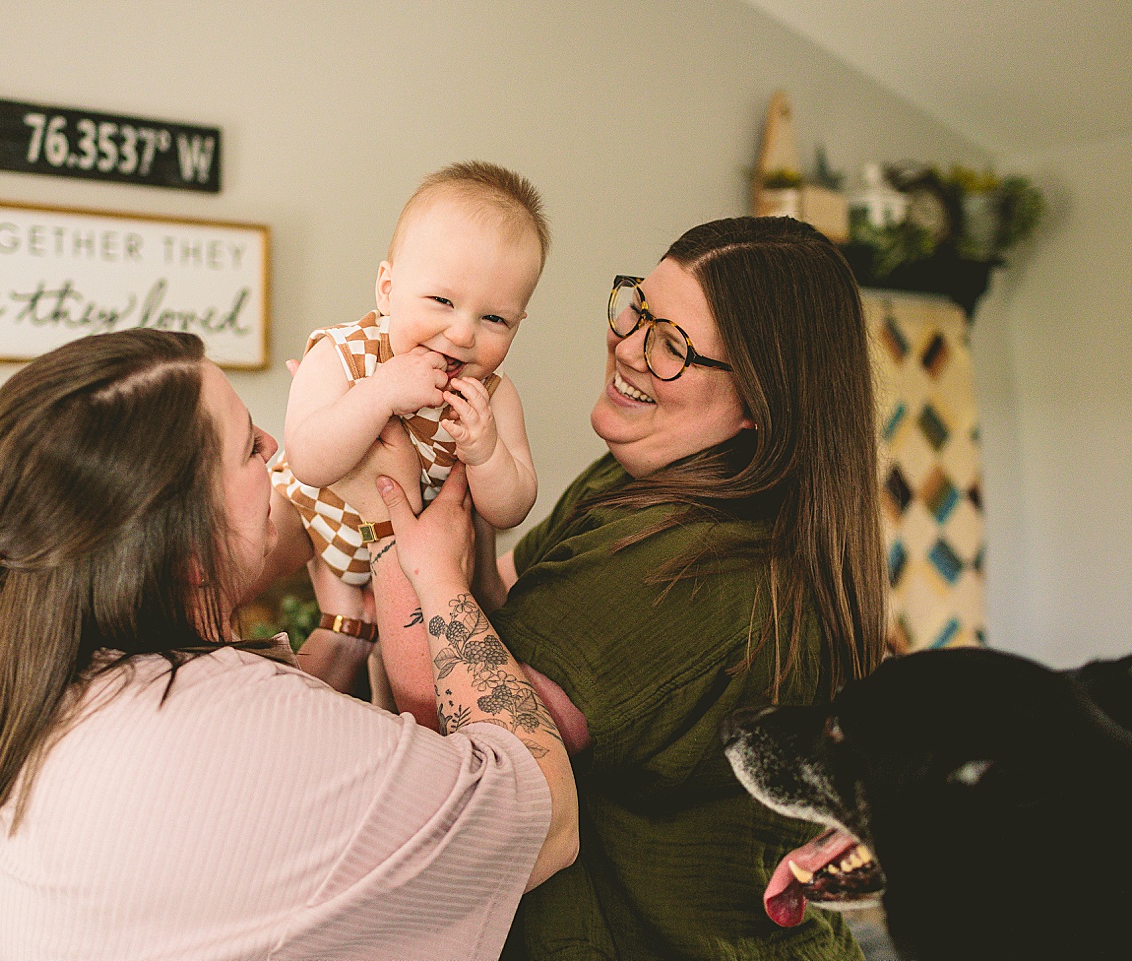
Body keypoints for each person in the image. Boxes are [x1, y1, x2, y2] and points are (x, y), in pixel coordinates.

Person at [346, 217, 889, 960]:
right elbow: (496, 619)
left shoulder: (702, 565)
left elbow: (468, 745)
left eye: (673, 344)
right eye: (638, 308)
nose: (628, 346)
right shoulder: (638, 472)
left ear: (760, 402)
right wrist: (460, 493)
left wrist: (382, 509)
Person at [0, 329, 577, 961]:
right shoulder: (224, 726)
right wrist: (424, 565)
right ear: (188, 547)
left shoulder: (39, 680)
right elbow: (545, 818)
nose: (275, 446)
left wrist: (345, 630)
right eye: (250, 447)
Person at [265, 161, 545, 691]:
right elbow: (309, 460)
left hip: (399, 560)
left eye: (495, 319)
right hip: (310, 518)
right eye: (442, 301)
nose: (462, 333)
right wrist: (379, 393)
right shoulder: (344, 355)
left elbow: (512, 506)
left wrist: (486, 453)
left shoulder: (492, 397)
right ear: (387, 289)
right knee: (246, 549)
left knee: (410, 678)